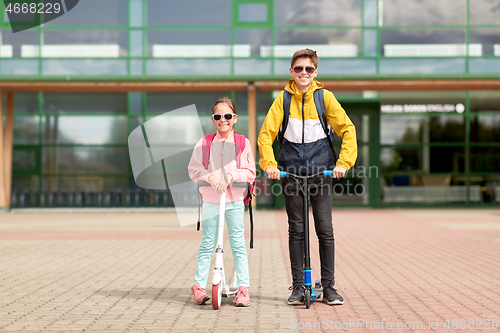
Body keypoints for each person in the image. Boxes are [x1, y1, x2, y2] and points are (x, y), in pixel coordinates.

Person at [258, 49, 357, 305]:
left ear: (316, 72)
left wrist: (343, 164)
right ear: (291, 71)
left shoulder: (325, 98)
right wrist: (270, 165)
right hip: (291, 173)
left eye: (309, 69)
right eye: (299, 69)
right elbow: (266, 135)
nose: (304, 73)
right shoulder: (283, 100)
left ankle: (329, 287)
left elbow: (348, 129)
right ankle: (299, 287)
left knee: (325, 230)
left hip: (320, 173)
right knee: (297, 230)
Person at [188, 97, 256, 307]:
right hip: (211, 200)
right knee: (208, 242)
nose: (223, 120)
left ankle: (243, 288)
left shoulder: (243, 142)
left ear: (234, 118)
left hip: (234, 200)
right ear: (213, 119)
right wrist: (211, 177)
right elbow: (194, 168)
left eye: (227, 116)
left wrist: (230, 176)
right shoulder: (205, 142)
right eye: (218, 116)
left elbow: (250, 172)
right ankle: (198, 286)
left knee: (237, 243)